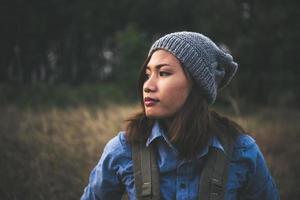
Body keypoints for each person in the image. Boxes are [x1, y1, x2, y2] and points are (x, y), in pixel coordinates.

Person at [80, 31, 279, 200]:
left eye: (164, 73)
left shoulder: (242, 151)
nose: (148, 86)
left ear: (197, 85)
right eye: (147, 74)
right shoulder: (123, 149)